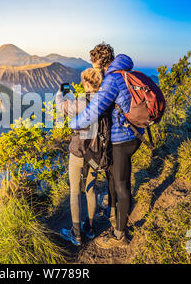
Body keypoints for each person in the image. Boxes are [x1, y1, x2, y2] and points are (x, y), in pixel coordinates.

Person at [70, 43, 144, 248]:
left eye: (95, 66)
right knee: (115, 176)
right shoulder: (124, 71)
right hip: (135, 133)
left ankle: (119, 235)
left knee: (121, 184)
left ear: (102, 63)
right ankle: (114, 213)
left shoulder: (112, 80)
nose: (95, 71)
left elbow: (93, 111)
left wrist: (73, 124)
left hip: (123, 137)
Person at [57, 68, 103, 246]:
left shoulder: (81, 102)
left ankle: (76, 234)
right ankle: (90, 229)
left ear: (86, 83)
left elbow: (62, 107)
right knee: (91, 190)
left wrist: (60, 93)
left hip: (78, 151)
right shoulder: (104, 99)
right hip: (96, 153)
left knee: (75, 192)